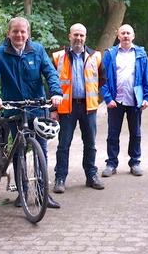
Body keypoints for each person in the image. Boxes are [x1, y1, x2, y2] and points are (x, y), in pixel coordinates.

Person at [0, 16, 63, 209]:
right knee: (19, 152)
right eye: (15, 31)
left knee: (41, 150)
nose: (19, 35)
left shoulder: (38, 50)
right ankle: (23, 192)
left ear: (28, 34)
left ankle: (44, 195)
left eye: (23, 31)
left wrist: (56, 92)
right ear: (9, 33)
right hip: (13, 107)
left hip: (37, 106)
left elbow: (50, 72)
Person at [52, 23, 106, 193]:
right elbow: (51, 83)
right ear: (69, 36)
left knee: (90, 144)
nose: (79, 38)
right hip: (67, 108)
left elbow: (102, 79)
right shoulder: (58, 57)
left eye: (82, 35)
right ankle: (60, 178)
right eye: (76, 35)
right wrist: (53, 109)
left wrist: (95, 98)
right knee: (63, 144)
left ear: (85, 37)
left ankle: (91, 176)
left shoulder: (95, 56)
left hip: (88, 107)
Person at [100, 24, 148, 177]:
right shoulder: (110, 54)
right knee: (112, 134)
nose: (125, 36)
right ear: (118, 36)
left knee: (135, 133)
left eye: (128, 33)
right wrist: (108, 98)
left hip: (134, 100)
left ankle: (135, 162)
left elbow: (147, 77)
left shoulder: (141, 54)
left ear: (133, 36)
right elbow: (102, 79)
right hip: (115, 101)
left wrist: (147, 97)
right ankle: (111, 163)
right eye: (122, 33)